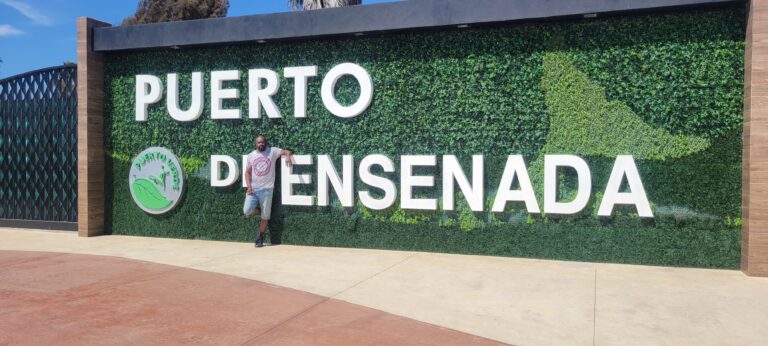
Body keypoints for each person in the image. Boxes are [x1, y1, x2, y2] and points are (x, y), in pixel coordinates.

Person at [243, 135, 293, 247]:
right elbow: (247, 172)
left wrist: (288, 157)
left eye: (262, 142)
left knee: (265, 217)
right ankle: (261, 211)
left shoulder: (272, 152)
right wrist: (249, 186)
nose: (261, 144)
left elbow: (286, 151)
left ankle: (260, 238)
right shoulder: (251, 156)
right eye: (259, 142)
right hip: (253, 190)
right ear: (256, 144)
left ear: (265, 142)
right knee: (247, 211)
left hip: (267, 190)